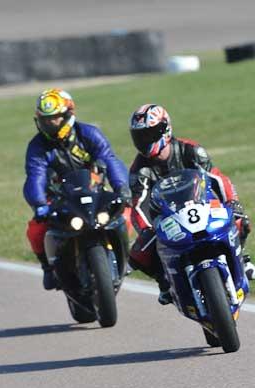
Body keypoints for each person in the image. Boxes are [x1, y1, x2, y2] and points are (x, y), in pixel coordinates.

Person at [128, 103, 254, 305]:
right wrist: (146, 229)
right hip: (168, 218)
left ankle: (241, 259)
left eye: (149, 134)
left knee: (241, 221)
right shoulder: (139, 170)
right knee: (137, 255)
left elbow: (218, 179)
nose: (144, 141)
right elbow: (137, 206)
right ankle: (165, 282)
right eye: (139, 136)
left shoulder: (191, 150)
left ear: (165, 129)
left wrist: (232, 202)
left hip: (203, 205)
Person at [24, 88, 131, 289]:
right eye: (44, 119)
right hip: (59, 198)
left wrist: (122, 188)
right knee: (36, 230)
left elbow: (110, 160)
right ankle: (48, 267)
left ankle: (125, 254)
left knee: (124, 215)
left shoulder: (89, 134)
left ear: (68, 115)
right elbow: (35, 176)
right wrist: (39, 204)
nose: (49, 124)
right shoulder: (37, 147)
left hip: (94, 192)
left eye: (54, 118)